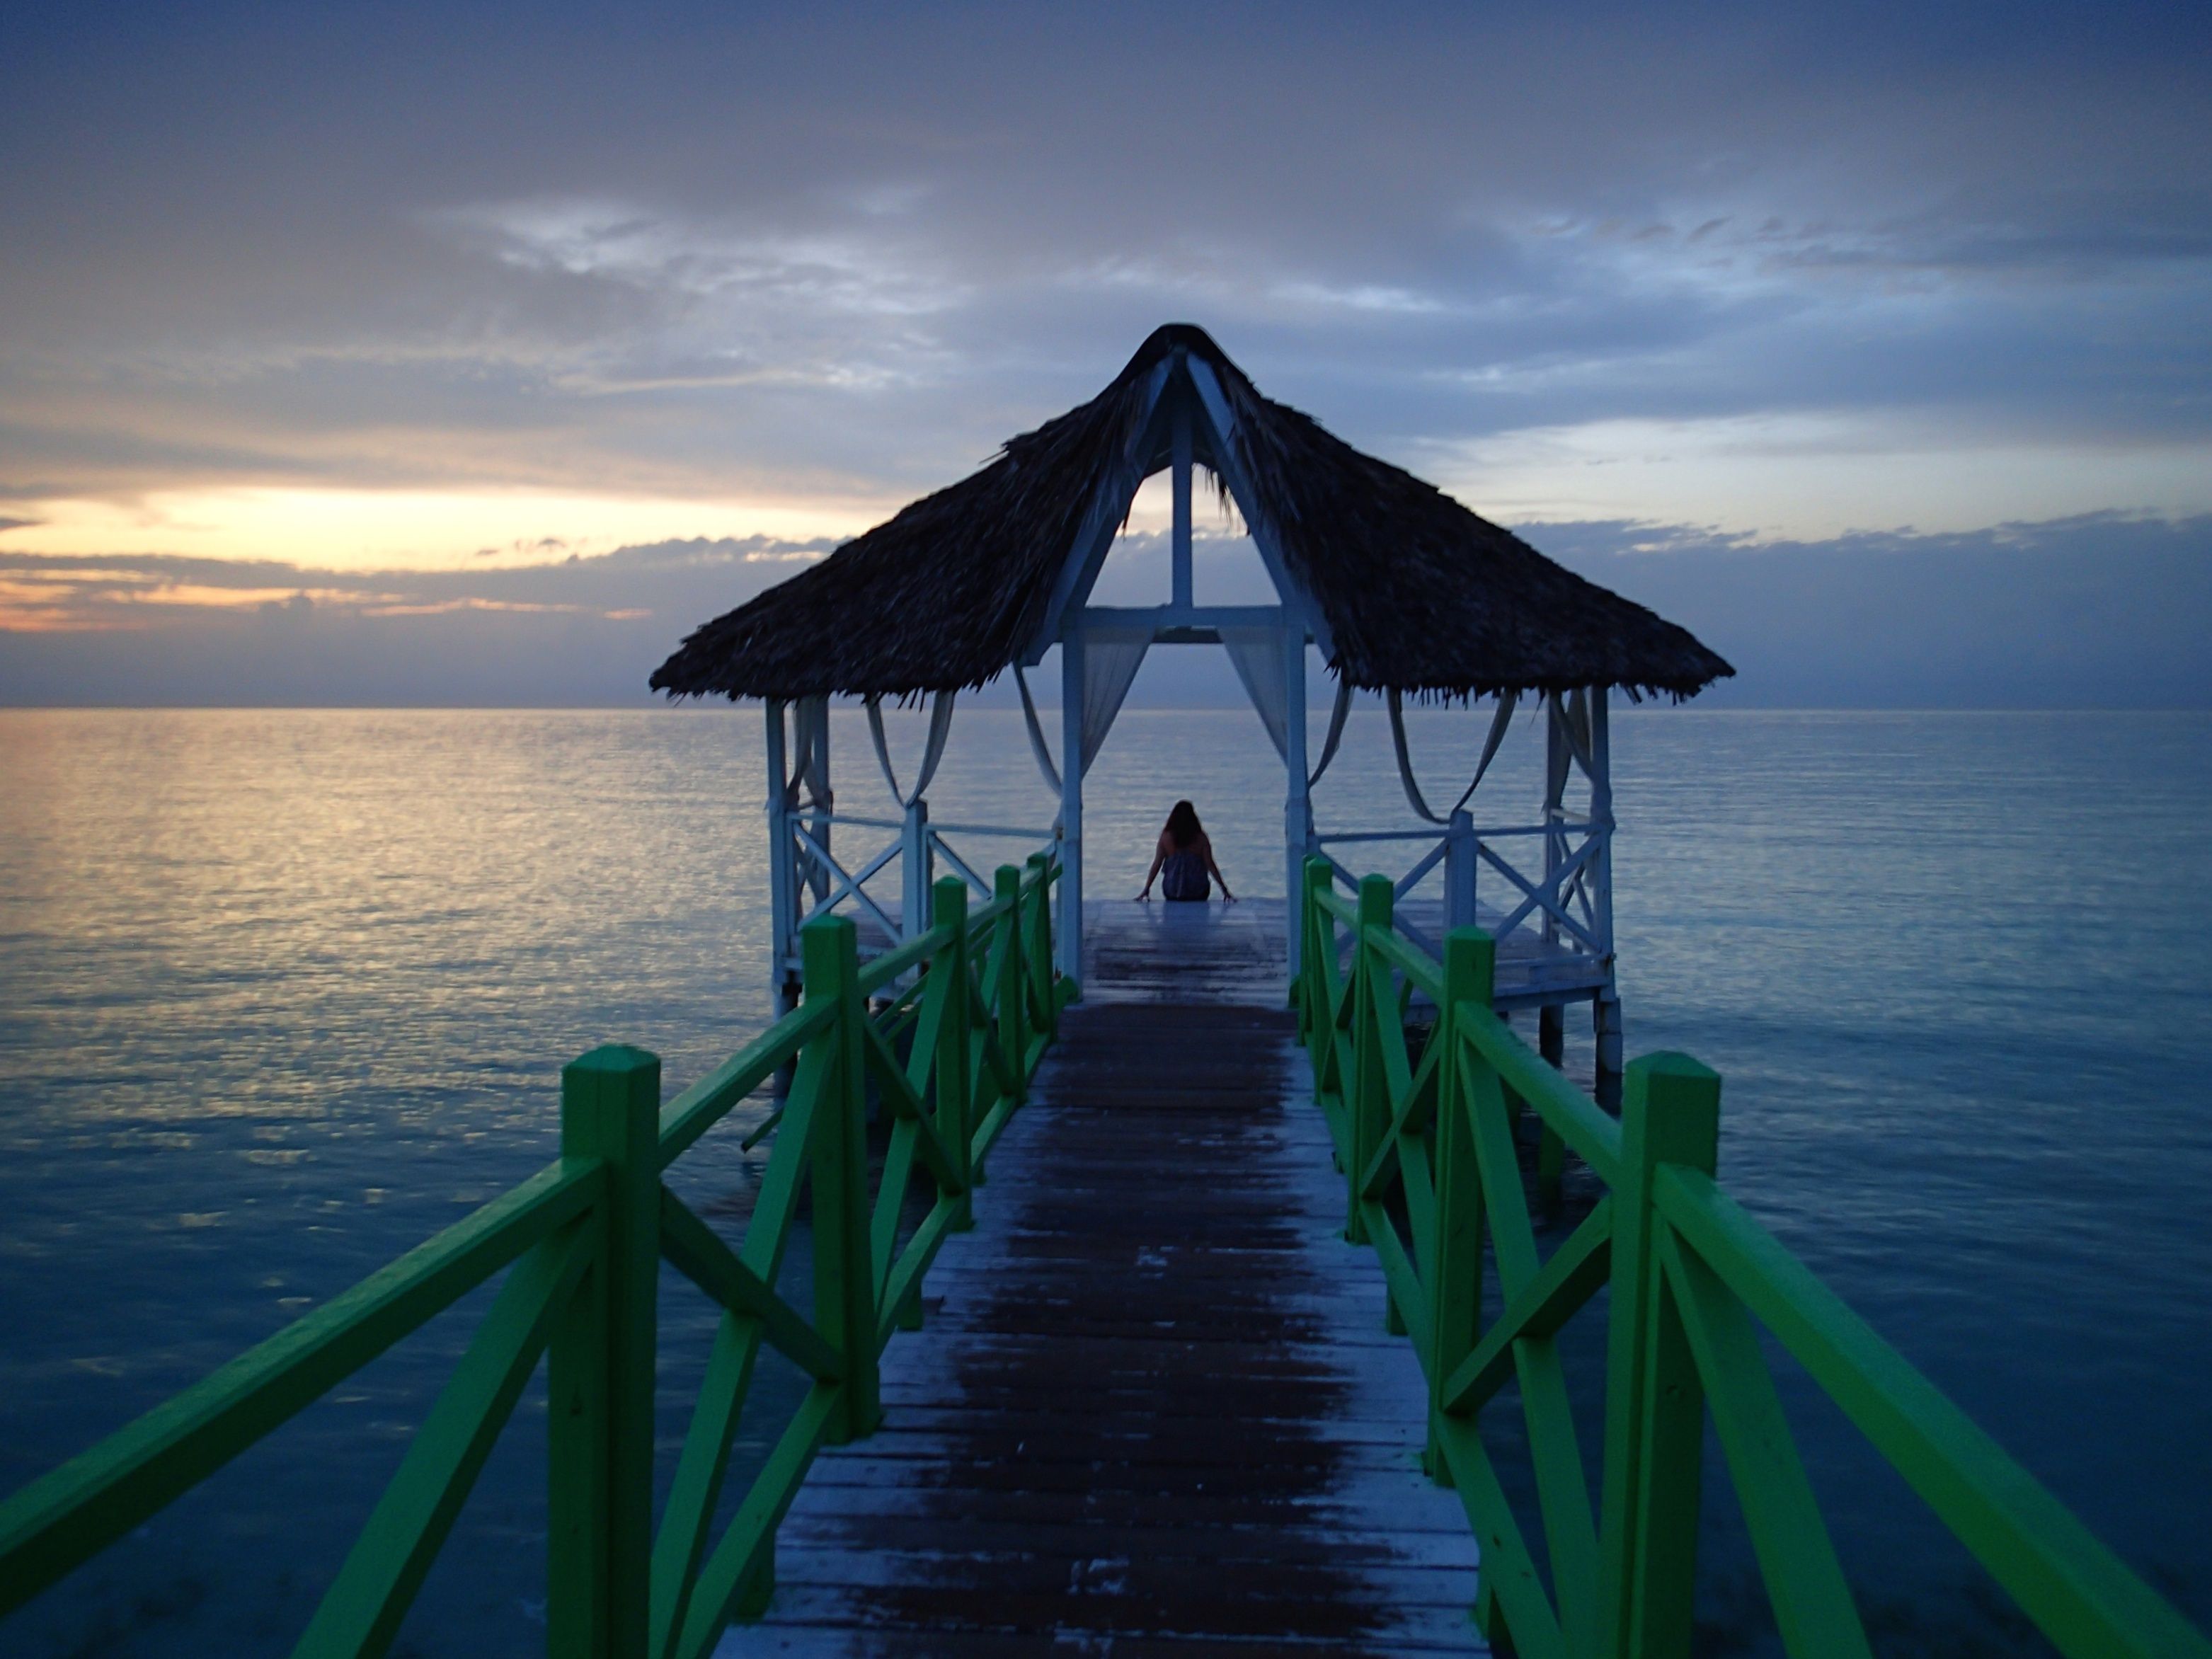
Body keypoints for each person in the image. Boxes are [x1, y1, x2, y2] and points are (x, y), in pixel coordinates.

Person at [1138, 800, 1235, 902]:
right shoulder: (1201, 838)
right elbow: (1210, 864)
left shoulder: (1166, 837)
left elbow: (1157, 864)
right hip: (1198, 891)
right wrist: (1224, 889)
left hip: (1172, 891)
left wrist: (1147, 889)